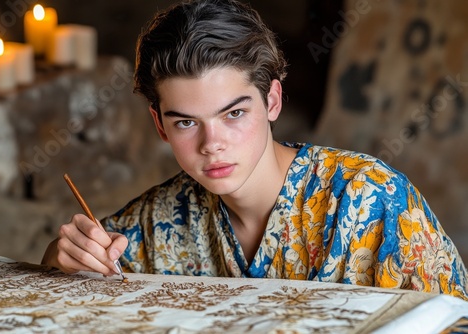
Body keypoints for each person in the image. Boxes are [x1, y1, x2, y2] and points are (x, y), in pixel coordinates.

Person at [41, 0, 468, 300]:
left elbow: (454, 318)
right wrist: (66, 258)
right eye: (186, 122)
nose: (212, 145)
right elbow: (70, 265)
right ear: (160, 126)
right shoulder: (165, 218)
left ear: (273, 102)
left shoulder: (372, 199)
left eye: (233, 114)